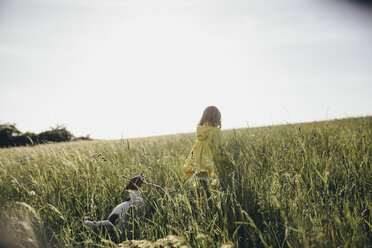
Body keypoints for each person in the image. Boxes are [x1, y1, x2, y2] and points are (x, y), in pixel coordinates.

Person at [183, 106, 231, 196]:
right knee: (218, 180)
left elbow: (197, 147)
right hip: (210, 160)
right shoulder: (216, 131)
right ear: (217, 119)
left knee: (201, 184)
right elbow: (220, 146)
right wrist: (225, 159)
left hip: (198, 161)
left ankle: (201, 201)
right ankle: (214, 198)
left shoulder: (200, 130)